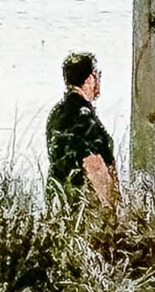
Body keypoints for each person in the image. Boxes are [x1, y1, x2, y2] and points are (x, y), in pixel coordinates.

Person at [45, 51, 119, 209]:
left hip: (60, 203)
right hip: (87, 207)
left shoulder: (57, 113)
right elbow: (93, 165)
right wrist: (113, 210)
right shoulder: (83, 116)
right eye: (96, 74)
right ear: (90, 78)